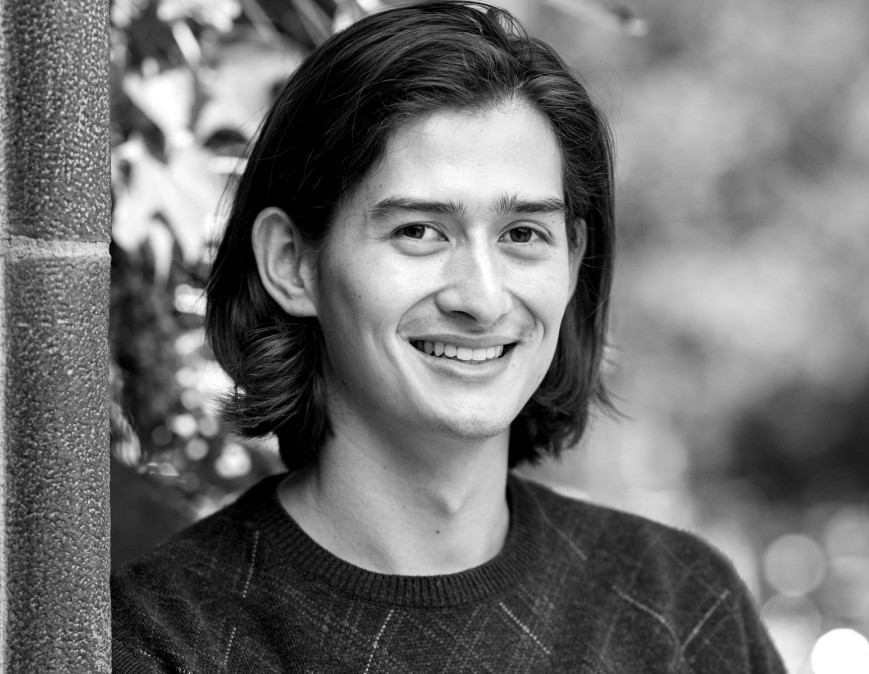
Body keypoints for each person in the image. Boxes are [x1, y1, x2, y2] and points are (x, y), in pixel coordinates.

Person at [112, 3, 786, 671]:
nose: (482, 298)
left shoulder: (683, 613)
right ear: (292, 263)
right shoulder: (160, 638)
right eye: (419, 231)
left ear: (573, 261)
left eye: (524, 235)